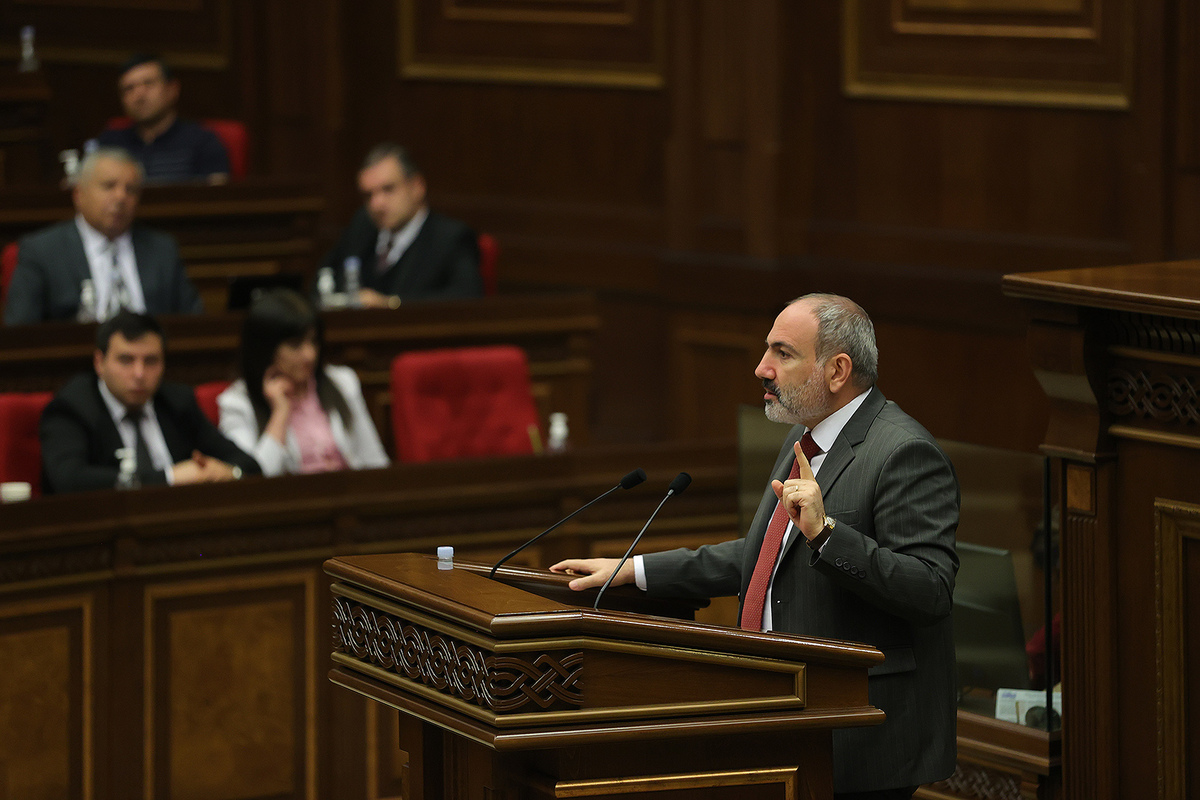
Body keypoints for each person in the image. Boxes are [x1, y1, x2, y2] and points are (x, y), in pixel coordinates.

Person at [551, 294, 960, 800]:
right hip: (789, 717)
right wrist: (634, 570)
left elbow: (931, 590)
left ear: (837, 370)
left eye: (782, 353)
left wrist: (827, 534)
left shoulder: (903, 451)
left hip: (859, 735)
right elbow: (766, 555)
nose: (761, 368)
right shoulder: (806, 437)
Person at [40, 311, 261, 494]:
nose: (139, 373)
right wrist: (169, 478)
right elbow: (69, 480)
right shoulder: (72, 408)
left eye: (151, 361)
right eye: (126, 360)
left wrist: (229, 472)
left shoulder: (177, 402)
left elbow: (249, 465)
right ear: (100, 362)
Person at [3, 148, 203, 325]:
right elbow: (21, 332)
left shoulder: (162, 249)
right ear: (79, 194)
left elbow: (193, 322)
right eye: (109, 186)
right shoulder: (42, 251)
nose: (121, 197)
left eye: (130, 190)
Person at [216, 288, 389, 476]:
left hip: (349, 491)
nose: (310, 355)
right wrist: (280, 413)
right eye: (295, 345)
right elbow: (251, 481)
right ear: (265, 348)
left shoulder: (342, 381)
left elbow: (375, 462)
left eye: (313, 341)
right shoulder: (237, 403)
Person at [320, 143, 482, 308]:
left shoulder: (450, 238)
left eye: (388, 189)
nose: (377, 204)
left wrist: (390, 304)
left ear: (417, 187)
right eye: (368, 195)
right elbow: (324, 280)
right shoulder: (362, 226)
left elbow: (467, 297)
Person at [93, 54, 230, 183]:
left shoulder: (203, 143)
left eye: (148, 83)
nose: (139, 95)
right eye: (129, 88)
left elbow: (218, 195)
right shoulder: (109, 144)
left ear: (172, 89)